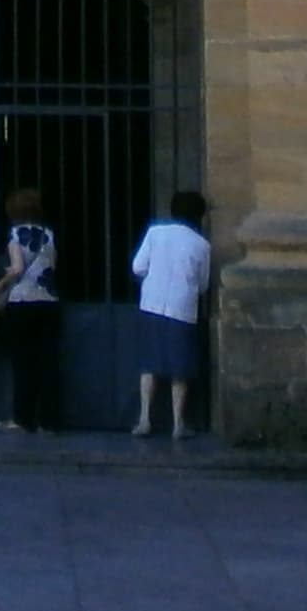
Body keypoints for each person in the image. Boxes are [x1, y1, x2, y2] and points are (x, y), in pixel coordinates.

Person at [131, 188, 213, 440]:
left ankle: (144, 419)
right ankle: (179, 423)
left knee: (149, 363)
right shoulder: (202, 245)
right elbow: (203, 285)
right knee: (181, 367)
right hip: (183, 307)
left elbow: (138, 266)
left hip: (152, 303)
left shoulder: (155, 233)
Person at [0, 187, 60, 434]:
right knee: (48, 363)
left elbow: (18, 268)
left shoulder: (14, 234)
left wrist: (0, 283)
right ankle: (49, 421)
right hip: (49, 302)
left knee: (23, 363)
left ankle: (23, 418)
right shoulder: (49, 235)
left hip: (22, 304)